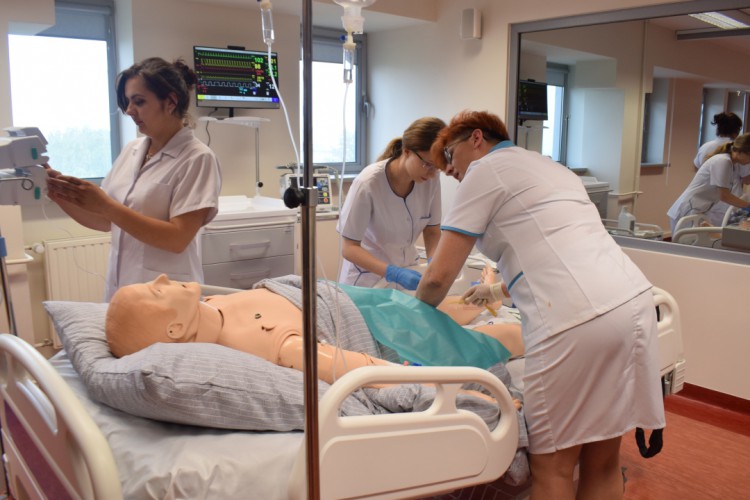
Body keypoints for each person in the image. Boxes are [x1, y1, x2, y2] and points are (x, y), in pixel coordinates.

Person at [415, 110, 665, 500]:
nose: (449, 170)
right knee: (602, 460)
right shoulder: (551, 168)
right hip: (632, 303)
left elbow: (437, 277)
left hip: (575, 320)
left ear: (476, 138)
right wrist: (497, 292)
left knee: (553, 467)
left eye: (449, 156)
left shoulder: (485, 171)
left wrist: (413, 315)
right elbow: (558, 248)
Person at [105, 274, 524, 388]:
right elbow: (357, 367)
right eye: (156, 291)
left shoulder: (208, 306)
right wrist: (441, 386)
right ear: (176, 329)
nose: (162, 277)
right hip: (375, 327)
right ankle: (518, 330)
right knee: (479, 341)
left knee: (428, 310)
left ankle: (487, 296)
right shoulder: (258, 339)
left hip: (345, 298)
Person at [45, 57, 222, 301]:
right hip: (122, 288)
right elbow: (106, 221)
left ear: (171, 102)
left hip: (167, 295)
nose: (129, 110)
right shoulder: (132, 150)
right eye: (128, 102)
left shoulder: (197, 158)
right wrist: (59, 193)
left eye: (139, 101)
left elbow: (178, 238)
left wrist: (106, 205)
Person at [337, 117, 445, 290]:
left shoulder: (430, 180)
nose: (432, 173)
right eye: (428, 164)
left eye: (437, 167)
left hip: (408, 271)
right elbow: (349, 248)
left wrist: (434, 264)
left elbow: (432, 231)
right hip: (367, 280)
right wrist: (393, 273)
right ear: (407, 151)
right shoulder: (368, 183)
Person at [668, 134, 750, 234]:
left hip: (699, 210)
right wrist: (747, 205)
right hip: (688, 210)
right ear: (741, 151)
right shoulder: (722, 161)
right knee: (687, 243)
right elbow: (724, 196)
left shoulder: (731, 164)